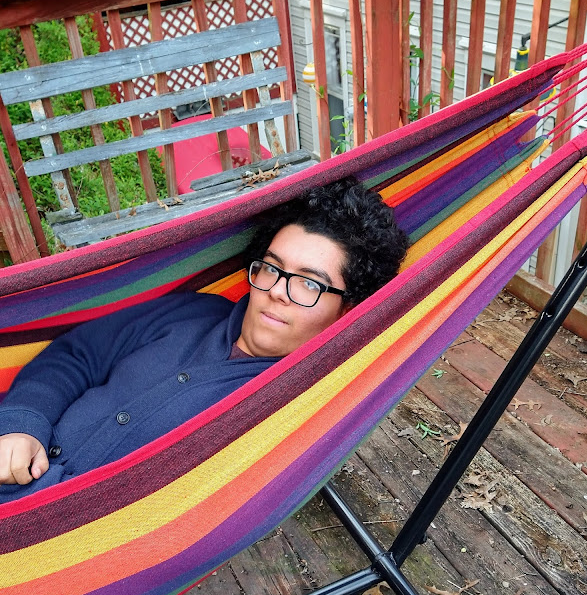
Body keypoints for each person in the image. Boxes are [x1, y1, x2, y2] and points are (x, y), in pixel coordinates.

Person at [0, 177, 408, 501]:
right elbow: (78, 355)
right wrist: (22, 425)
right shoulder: (194, 311)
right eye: (271, 268)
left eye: (308, 284)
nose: (277, 290)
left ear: (347, 307)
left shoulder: (285, 407)